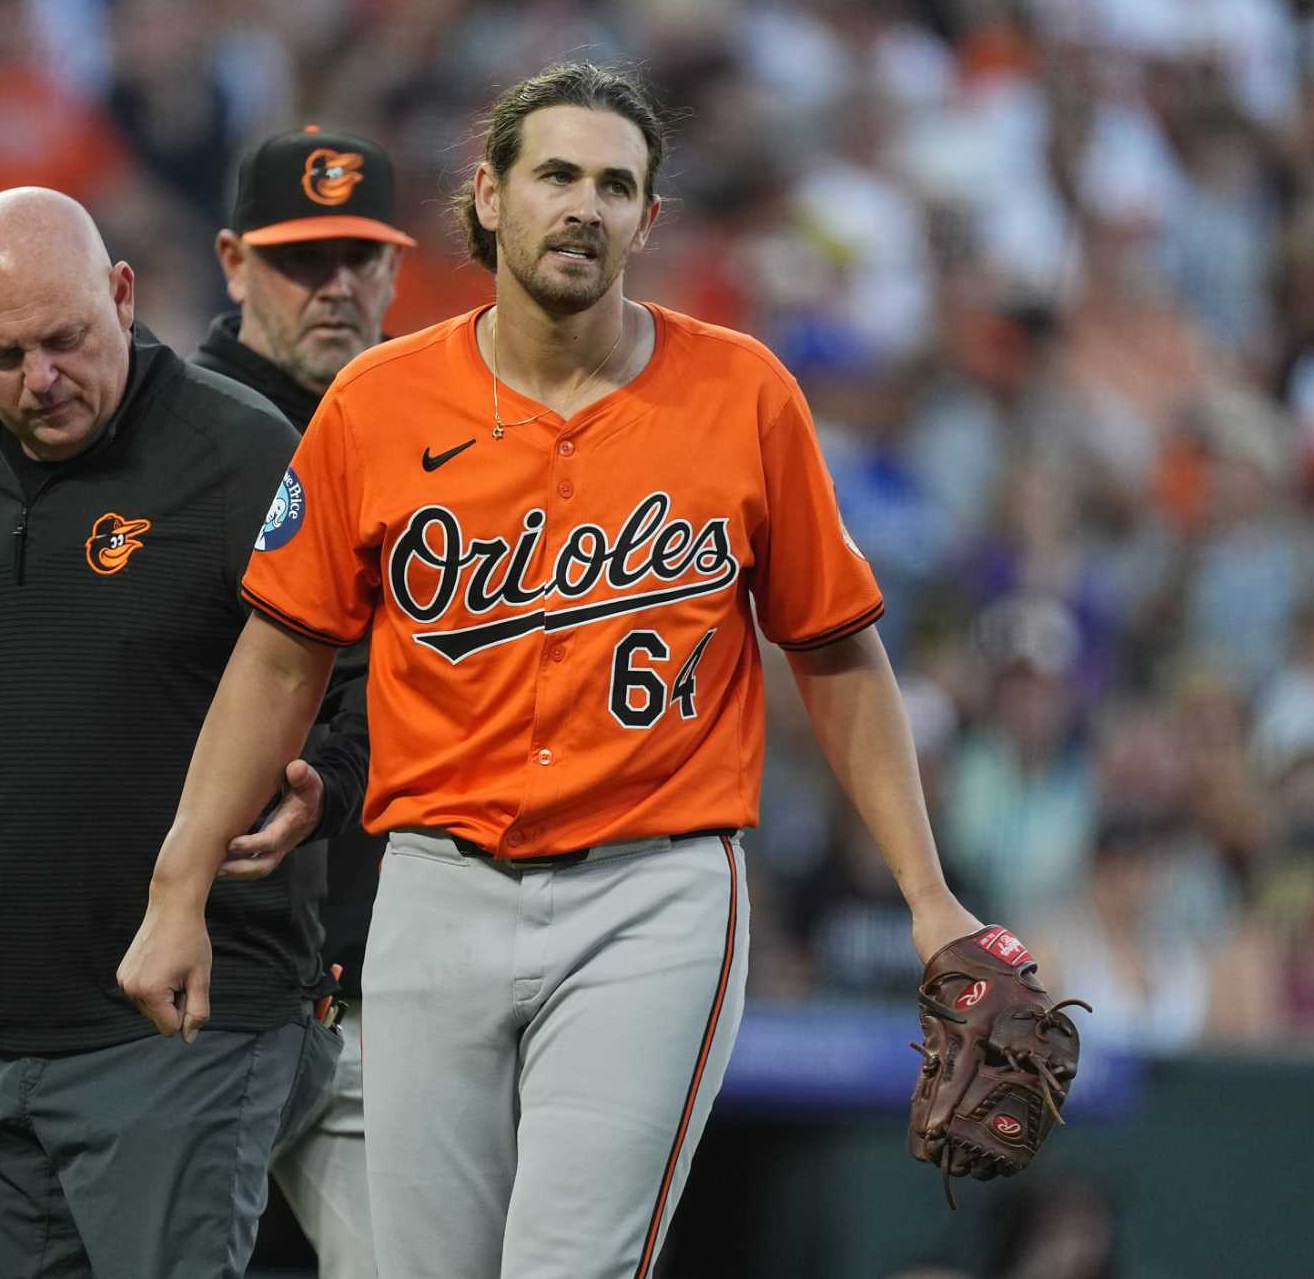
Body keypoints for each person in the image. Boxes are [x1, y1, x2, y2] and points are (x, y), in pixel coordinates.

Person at [119, 62, 986, 1278]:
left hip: (654, 891)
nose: (584, 205)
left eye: (615, 185)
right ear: (489, 194)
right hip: (431, 886)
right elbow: (277, 660)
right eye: (557, 175)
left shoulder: (742, 394)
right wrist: (176, 890)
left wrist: (926, 893)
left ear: (648, 220)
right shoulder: (377, 399)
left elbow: (834, 652)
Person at [0, 186, 365, 1278]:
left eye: (65, 340)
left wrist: (325, 788)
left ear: (122, 295)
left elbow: (365, 679)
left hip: (186, 1024)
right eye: (3, 353)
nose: (40, 380)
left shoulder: (240, 452)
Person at [190, 126, 414, 1279]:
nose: (335, 288)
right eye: (300, 259)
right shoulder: (174, 439)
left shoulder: (425, 433)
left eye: (358, 259)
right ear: (233, 262)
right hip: (204, 969)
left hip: (371, 971)